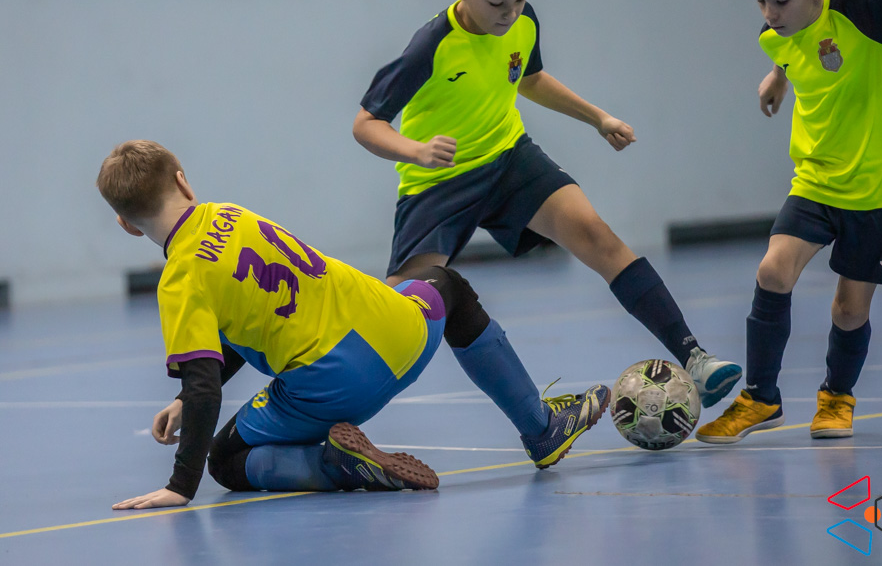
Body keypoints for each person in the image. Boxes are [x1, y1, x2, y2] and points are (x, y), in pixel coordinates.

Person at [352, 0, 741, 408]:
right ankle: (332, 411)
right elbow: (366, 124)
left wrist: (598, 117)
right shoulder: (431, 46)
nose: (509, 14)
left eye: (518, 0)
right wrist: (418, 151)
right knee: (405, 312)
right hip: (439, 184)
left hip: (508, 159)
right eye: (496, 3)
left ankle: (695, 359)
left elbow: (530, 79)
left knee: (596, 235)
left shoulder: (523, 20)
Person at [96, 140, 609, 510]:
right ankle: (540, 428)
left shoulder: (180, 278)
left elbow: (205, 386)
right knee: (445, 283)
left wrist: (181, 486)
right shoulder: (229, 214)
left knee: (228, 457)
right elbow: (235, 324)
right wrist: (185, 400)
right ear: (182, 180)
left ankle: (335, 465)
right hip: (401, 330)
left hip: (337, 385)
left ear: (126, 224)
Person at [695, 0, 882, 444]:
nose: (769, 13)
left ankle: (837, 396)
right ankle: (761, 397)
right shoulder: (773, 34)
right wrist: (778, 78)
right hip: (816, 178)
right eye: (760, 1)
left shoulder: (863, 15)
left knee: (849, 308)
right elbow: (790, 51)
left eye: (780, 0)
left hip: (877, 185)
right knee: (773, 270)